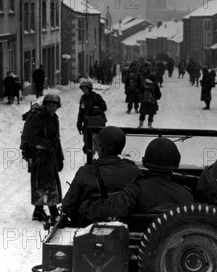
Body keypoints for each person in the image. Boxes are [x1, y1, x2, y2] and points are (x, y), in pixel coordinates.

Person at [79, 137, 194, 221]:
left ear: (145, 162)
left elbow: (111, 209)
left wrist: (86, 206)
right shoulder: (186, 196)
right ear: (176, 163)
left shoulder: (137, 190)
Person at [62, 126, 142, 226]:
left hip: (88, 230)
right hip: (125, 230)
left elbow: (68, 205)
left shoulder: (85, 171)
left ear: (101, 148)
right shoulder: (134, 172)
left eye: (97, 144)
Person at [20, 93, 64, 224]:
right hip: (39, 156)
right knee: (47, 183)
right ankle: (53, 212)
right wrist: (47, 143)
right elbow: (30, 138)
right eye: (49, 105)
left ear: (57, 107)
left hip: (49, 155)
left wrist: (60, 157)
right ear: (45, 105)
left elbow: (56, 139)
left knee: (45, 182)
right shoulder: (38, 118)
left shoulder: (54, 118)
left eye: (54, 105)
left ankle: (38, 211)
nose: (51, 108)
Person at [76, 78, 108, 152]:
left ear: (89, 88)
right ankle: (90, 159)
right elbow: (81, 112)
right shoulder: (83, 98)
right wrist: (79, 123)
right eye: (82, 88)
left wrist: (93, 109)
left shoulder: (96, 96)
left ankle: (101, 157)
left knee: (98, 141)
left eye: (85, 88)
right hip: (88, 123)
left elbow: (104, 107)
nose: (83, 90)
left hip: (97, 122)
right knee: (87, 141)